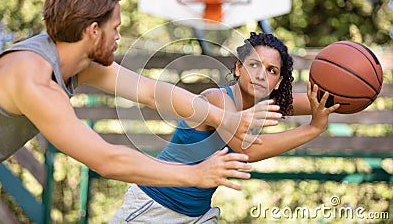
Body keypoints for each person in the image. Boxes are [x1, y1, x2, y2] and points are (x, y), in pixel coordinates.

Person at [0, 0, 283, 190]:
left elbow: (151, 92)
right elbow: (106, 160)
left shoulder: (74, 61)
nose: (119, 38)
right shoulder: (34, 82)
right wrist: (194, 174)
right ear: (94, 31)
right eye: (115, 29)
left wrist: (225, 117)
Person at [110, 32, 340, 223]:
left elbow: (325, 100)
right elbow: (247, 151)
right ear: (239, 68)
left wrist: (353, 91)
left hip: (196, 215)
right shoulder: (217, 100)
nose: (261, 75)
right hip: (154, 207)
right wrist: (313, 128)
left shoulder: (266, 104)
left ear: (278, 81)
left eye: (271, 71)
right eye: (254, 65)